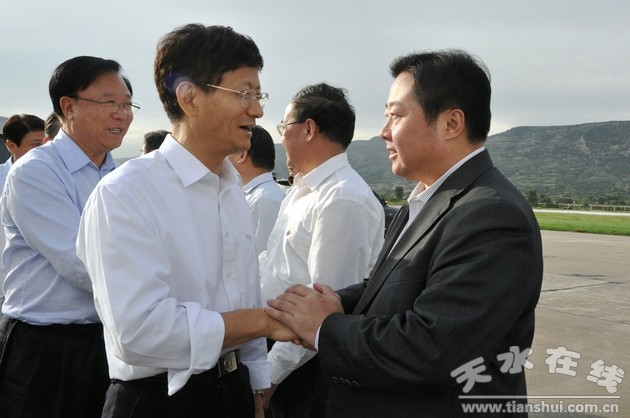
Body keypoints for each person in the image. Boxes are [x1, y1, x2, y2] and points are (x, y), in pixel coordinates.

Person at [266, 50, 544, 418]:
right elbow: (384, 288)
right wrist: (329, 303)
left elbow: (431, 348)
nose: (383, 132)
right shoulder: (426, 199)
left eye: (396, 116)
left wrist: (325, 327)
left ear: (451, 123)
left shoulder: (491, 216)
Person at [76, 24, 295, 418]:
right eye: (244, 93)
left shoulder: (230, 188)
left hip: (233, 389)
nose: (258, 110)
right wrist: (261, 322)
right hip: (160, 400)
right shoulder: (125, 194)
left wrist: (257, 387)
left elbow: (244, 290)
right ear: (189, 97)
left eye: (258, 95)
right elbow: (139, 333)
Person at [0, 56, 136, 418]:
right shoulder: (36, 171)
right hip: (46, 349)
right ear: (68, 107)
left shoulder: (121, 176)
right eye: (109, 103)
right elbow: (80, 262)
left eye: (127, 105)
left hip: (107, 341)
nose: (122, 114)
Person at [260, 83, 385, 418]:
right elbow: (275, 266)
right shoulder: (302, 191)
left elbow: (323, 309)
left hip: (304, 364)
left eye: (284, 127)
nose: (282, 137)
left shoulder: (342, 198)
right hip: (280, 347)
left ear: (309, 129)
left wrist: (270, 376)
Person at [0, 114, 46, 308]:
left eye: (48, 143)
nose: (45, 150)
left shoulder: (54, 179)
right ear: (11, 146)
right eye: (37, 145)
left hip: (37, 289)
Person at [228, 125, 285, 255]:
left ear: (242, 155)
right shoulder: (259, 195)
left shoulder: (266, 199)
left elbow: (261, 256)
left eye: (227, 152)